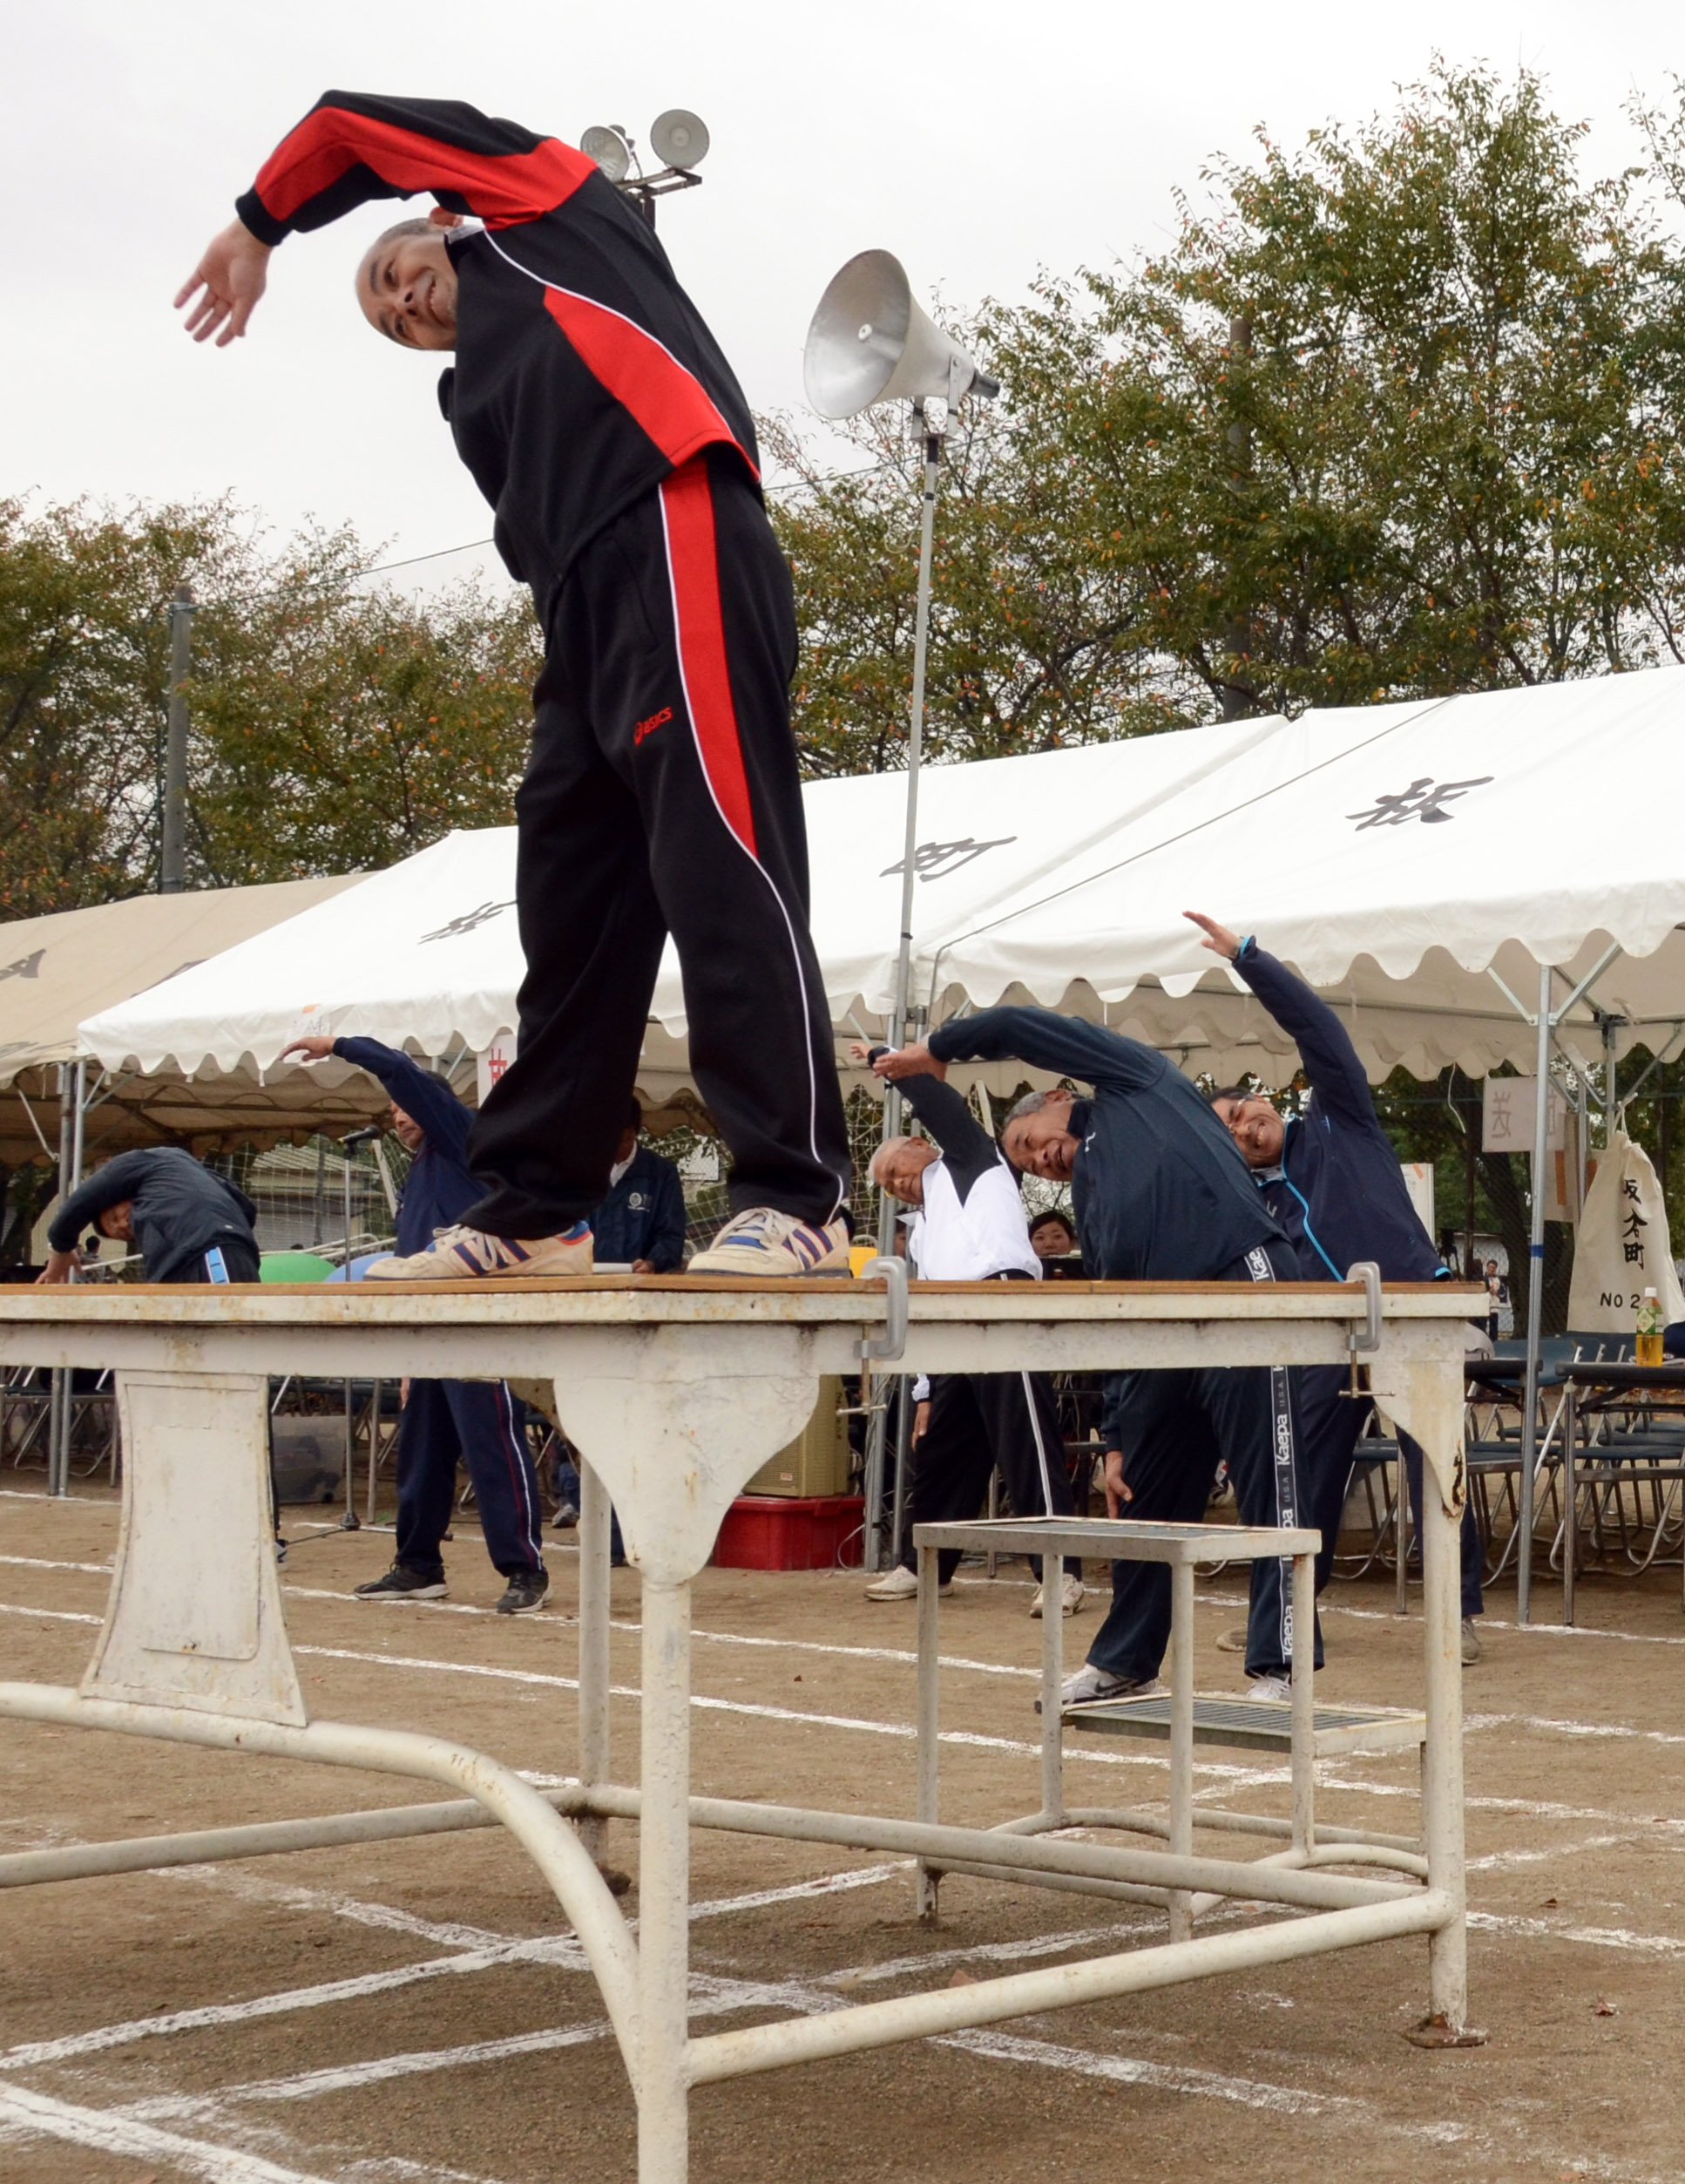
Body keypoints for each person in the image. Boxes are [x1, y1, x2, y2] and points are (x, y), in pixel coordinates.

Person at [181, 93, 849, 1279]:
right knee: (569, 900)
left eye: (396, 270)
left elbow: (346, 123)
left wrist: (257, 226)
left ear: (440, 224)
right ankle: (539, 1208)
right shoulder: (476, 391)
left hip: (672, 520)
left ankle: (796, 1195)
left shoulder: (546, 213)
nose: (399, 301)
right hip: (580, 605)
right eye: (388, 317)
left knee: (718, 854)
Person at [876, 1007, 1312, 1707]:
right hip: (1156, 1332)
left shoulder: (1136, 1084)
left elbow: (1024, 1025)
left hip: (1240, 1280)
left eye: (1027, 1140)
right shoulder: (1092, 1196)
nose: (1034, 1157)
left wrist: (936, 1049)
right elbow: (1113, 1312)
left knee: (1269, 1475)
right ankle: (1125, 1659)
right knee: (1143, 1496)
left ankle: (1278, 1665)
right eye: (1022, 1161)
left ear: (1055, 1100)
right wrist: (1115, 1437)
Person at [1188, 911, 1484, 1664]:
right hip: (1325, 1335)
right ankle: (1284, 1616)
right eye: (1228, 1130)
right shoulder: (1251, 1204)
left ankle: (1459, 1617)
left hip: (1413, 1310)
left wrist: (1251, 961)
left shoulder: (1339, 1121)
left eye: (1243, 1109)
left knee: (1433, 1461)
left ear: (1261, 1099)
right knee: (1300, 1473)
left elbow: (1319, 1033)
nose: (1246, 1125)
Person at [280, 1035, 550, 1612]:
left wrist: (341, 1046)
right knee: (422, 1450)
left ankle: (525, 1569)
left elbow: (405, 1074)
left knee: (492, 1442)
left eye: (405, 1108)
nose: (398, 1118)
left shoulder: (463, 1138)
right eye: (393, 1113)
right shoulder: (422, 1172)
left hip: (471, 1321)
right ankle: (418, 1565)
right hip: (423, 1328)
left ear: (431, 1106)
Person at [862, 1065, 1078, 1613]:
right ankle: (924, 1564)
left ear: (918, 1145)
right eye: (887, 1185)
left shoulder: (971, 1164)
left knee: (1026, 1441)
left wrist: (893, 1064)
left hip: (1002, 1301)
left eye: (896, 1170)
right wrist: (926, 1392)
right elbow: (927, 1309)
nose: (896, 1184)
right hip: (953, 1327)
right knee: (941, 1454)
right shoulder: (923, 1234)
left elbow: (946, 1110)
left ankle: (1060, 1572)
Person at [42, 1149, 260, 1287]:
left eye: (114, 1217)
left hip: (211, 1252)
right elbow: (245, 1208)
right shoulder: (200, 1181)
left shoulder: (155, 1161)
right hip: (176, 1273)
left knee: (230, 1340)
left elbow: (86, 1196)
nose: (123, 1224)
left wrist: (61, 1245)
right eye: (123, 1233)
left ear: (120, 1193)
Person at [589, 1116, 689, 1273]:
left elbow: (672, 1234)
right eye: (606, 1139)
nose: (612, 1147)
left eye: (621, 1140)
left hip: (641, 1283)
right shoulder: (583, 1170)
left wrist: (653, 1262)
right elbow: (568, 1227)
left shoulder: (661, 1174)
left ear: (632, 1134)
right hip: (587, 1280)